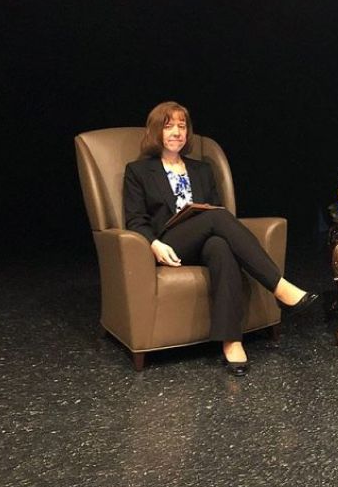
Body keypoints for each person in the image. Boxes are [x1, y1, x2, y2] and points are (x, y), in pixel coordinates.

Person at [123, 101, 317, 376]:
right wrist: (154, 244)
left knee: (221, 246)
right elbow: (135, 220)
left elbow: (211, 211)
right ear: (156, 132)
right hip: (170, 244)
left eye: (182, 126)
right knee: (218, 216)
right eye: (169, 127)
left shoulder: (201, 169)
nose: (177, 132)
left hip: (204, 240)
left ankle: (231, 342)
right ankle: (279, 286)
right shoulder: (139, 171)